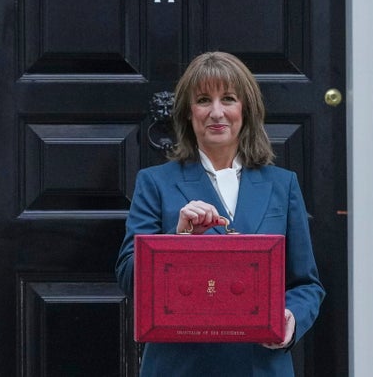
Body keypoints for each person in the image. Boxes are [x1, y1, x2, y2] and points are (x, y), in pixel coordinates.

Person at [115, 51, 324, 376]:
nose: (216, 112)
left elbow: (307, 283)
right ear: (187, 112)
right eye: (203, 100)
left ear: (246, 110)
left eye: (228, 98)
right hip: (179, 366)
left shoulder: (282, 185)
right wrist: (178, 239)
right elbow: (129, 278)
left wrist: (291, 320)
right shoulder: (155, 183)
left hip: (260, 365)